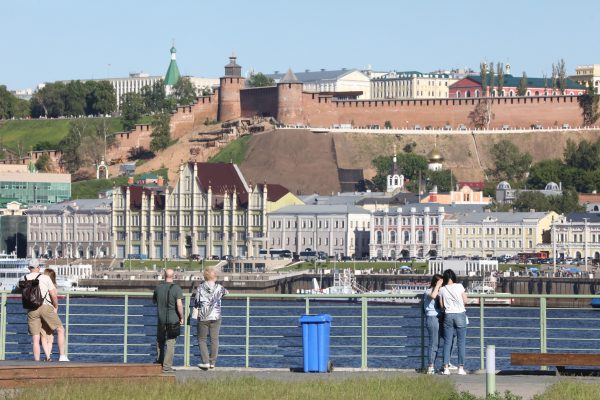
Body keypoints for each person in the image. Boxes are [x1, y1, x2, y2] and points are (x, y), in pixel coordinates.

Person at [21, 260, 69, 362]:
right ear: (38, 267)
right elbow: (53, 295)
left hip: (31, 309)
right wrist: (55, 306)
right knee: (60, 329)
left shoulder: (23, 278)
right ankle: (62, 356)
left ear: (29, 268)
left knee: (35, 337)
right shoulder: (45, 278)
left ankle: (37, 362)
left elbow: (17, 289)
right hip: (45, 307)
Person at [194, 266, 228, 370]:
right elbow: (226, 293)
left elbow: (196, 302)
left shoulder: (200, 287)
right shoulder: (219, 287)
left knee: (202, 339)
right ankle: (212, 362)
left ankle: (205, 362)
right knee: (214, 339)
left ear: (205, 276)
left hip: (204, 316)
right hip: (216, 316)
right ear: (215, 277)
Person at [153, 269, 184, 373]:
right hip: (173, 319)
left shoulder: (158, 288)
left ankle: (159, 362)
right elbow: (179, 305)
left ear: (164, 276)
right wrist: (182, 317)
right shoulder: (177, 288)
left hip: (161, 319)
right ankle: (166, 366)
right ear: (173, 276)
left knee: (160, 341)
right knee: (170, 342)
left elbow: (154, 301)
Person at [438, 269, 468, 375]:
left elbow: (442, 306)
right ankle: (461, 368)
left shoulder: (442, 289)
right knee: (461, 342)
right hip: (460, 314)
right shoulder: (459, 286)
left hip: (448, 315)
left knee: (447, 342)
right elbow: (465, 301)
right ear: (453, 277)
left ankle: (446, 368)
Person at [423, 274, 443, 374]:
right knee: (434, 342)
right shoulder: (428, 291)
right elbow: (433, 295)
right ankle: (431, 366)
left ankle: (445, 364)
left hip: (440, 317)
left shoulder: (440, 291)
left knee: (450, 339)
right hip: (432, 318)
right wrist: (438, 286)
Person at [40, 268, 58, 361]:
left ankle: (47, 356)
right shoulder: (54, 287)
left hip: (43, 309)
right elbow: (55, 301)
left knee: (43, 334)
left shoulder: (42, 285)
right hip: (52, 311)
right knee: (50, 335)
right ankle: (49, 355)